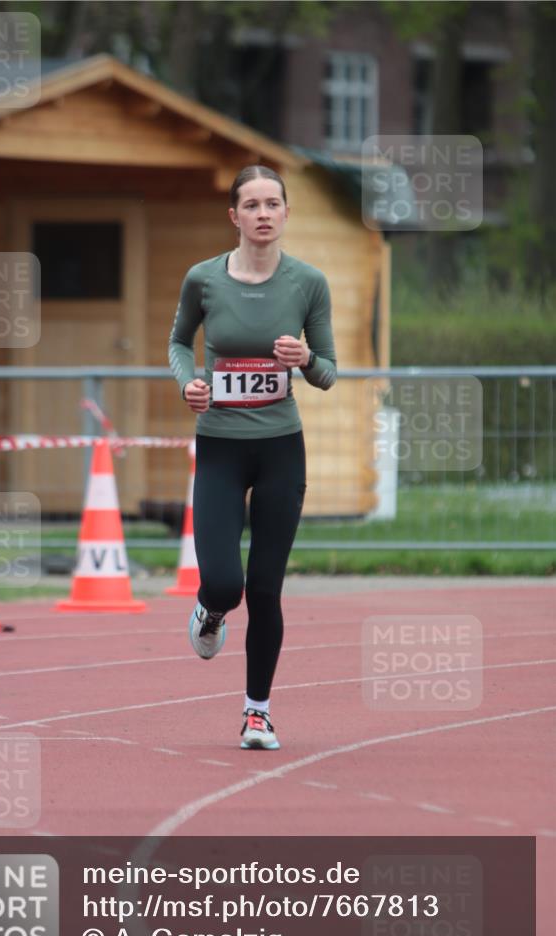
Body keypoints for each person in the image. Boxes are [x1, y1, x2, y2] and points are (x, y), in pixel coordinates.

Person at [168, 164, 336, 749]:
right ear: (234, 216)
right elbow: (177, 341)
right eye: (253, 204)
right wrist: (189, 382)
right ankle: (210, 612)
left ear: (287, 213)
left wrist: (305, 359)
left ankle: (257, 712)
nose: (264, 213)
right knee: (224, 582)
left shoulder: (308, 283)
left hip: (280, 450)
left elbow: (329, 373)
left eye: (274, 203)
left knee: (265, 588)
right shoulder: (204, 279)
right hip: (219, 446)